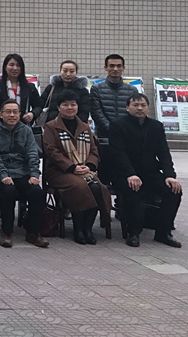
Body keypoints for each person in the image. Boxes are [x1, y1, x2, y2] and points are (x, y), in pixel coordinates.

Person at [109, 93, 182, 248]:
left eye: (143, 105)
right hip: (124, 173)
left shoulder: (156, 126)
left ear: (148, 108)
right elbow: (118, 153)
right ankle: (133, 233)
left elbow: (163, 152)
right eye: (135, 105)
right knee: (133, 190)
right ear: (127, 107)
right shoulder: (117, 125)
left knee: (173, 190)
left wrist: (169, 175)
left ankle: (163, 232)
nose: (140, 108)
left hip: (150, 173)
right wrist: (130, 173)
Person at [43, 90, 111, 245]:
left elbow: (94, 151)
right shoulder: (51, 126)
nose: (70, 108)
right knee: (80, 186)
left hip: (84, 170)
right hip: (59, 172)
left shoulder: (85, 127)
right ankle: (78, 229)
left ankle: (88, 229)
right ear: (59, 107)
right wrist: (72, 167)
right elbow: (52, 151)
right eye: (65, 104)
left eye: (73, 104)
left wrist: (89, 166)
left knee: (97, 188)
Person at [0, 100, 48, 248]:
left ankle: (33, 232)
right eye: (8, 112)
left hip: (22, 173)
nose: (12, 115)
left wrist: (34, 175)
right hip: (0, 175)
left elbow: (32, 154)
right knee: (8, 191)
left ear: (20, 114)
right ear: (1, 114)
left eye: (15, 112)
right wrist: (3, 175)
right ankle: (7, 232)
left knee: (37, 192)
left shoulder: (26, 131)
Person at [90, 54, 137, 183]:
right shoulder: (96, 89)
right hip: (104, 137)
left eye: (118, 66)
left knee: (124, 172)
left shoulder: (132, 90)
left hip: (126, 137)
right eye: (111, 66)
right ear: (105, 68)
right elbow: (96, 112)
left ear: (123, 68)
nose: (115, 69)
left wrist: (123, 130)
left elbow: (134, 113)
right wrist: (113, 129)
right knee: (104, 174)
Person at [0, 53, 42, 124]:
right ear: (5, 67)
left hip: (24, 125)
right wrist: (1, 121)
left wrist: (32, 114)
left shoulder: (30, 87)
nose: (15, 68)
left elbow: (39, 106)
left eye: (18, 65)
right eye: (11, 65)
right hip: (3, 127)